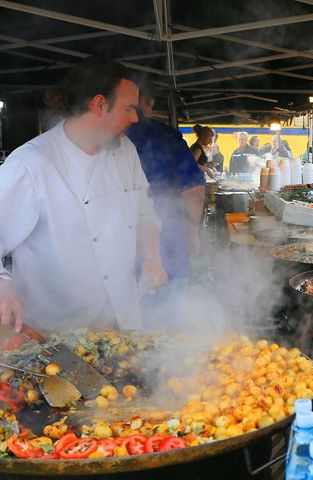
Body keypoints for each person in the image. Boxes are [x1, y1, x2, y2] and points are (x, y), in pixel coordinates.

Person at [0, 57, 166, 332]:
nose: (136, 118)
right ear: (99, 104)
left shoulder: (125, 152)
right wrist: (3, 282)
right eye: (129, 109)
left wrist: (151, 256)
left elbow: (145, 214)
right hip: (57, 334)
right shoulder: (30, 164)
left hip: (123, 321)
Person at [125, 78, 206, 313]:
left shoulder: (105, 139)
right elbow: (193, 193)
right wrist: (193, 237)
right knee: (167, 335)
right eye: (150, 105)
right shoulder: (165, 137)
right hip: (167, 252)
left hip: (115, 265)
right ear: (143, 102)